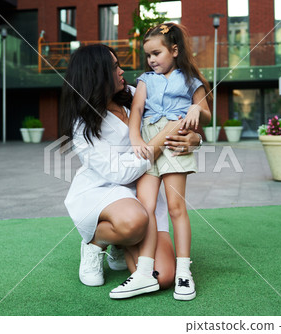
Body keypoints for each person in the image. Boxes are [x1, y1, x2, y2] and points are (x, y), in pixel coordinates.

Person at [60, 44, 202, 298]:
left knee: (164, 277)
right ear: (98, 74)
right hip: (105, 191)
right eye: (115, 67)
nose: (122, 71)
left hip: (145, 189)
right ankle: (96, 242)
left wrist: (195, 139)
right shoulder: (82, 125)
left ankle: (121, 240)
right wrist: (165, 135)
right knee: (135, 220)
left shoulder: (137, 94)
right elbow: (120, 175)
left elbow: (182, 117)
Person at [127, 23, 212, 301]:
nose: (151, 60)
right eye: (148, 55)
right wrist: (135, 139)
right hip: (151, 139)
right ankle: (144, 268)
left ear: (174, 50)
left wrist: (195, 108)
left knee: (176, 207)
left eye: (156, 53)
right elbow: (137, 109)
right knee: (146, 206)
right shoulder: (145, 80)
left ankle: (184, 270)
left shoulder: (191, 80)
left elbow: (207, 115)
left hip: (176, 140)